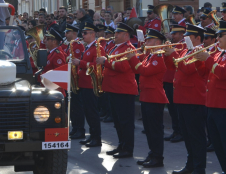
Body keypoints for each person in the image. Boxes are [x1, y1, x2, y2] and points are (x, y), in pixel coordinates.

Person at [164, 24, 208, 174]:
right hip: (182, 98)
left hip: (194, 99)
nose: (185, 38)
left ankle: (199, 167)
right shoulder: (184, 50)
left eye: (189, 36)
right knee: (188, 136)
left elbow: (188, 69)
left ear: (197, 38)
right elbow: (172, 67)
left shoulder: (200, 51)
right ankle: (190, 164)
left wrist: (173, 55)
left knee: (196, 136)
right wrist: (167, 54)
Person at [194, 21, 226, 174]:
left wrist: (207, 59)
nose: (218, 39)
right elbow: (204, 74)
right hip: (212, 105)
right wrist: (198, 60)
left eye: (221, 36)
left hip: (225, 107)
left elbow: (223, 73)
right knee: (218, 145)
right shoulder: (218, 53)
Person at [126, 29, 168, 168]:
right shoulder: (150, 56)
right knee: (149, 129)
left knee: (155, 129)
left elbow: (143, 71)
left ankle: (158, 157)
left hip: (154, 98)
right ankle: (153, 153)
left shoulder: (158, 57)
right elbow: (140, 68)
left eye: (149, 40)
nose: (146, 42)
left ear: (157, 42)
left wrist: (132, 58)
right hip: (147, 96)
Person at [96, 23, 138, 158]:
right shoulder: (116, 48)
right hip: (114, 89)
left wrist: (105, 62)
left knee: (125, 121)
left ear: (126, 35)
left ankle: (128, 148)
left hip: (123, 90)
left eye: (118, 33)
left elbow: (123, 67)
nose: (115, 35)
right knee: (118, 121)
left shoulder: (129, 48)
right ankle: (121, 145)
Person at [72, 22, 104, 147]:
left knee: (92, 112)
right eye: (82, 33)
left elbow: (96, 66)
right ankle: (92, 136)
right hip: (84, 83)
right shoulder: (88, 47)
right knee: (87, 112)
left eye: (85, 33)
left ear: (92, 34)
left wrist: (80, 63)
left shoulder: (97, 48)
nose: (82, 35)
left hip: (91, 84)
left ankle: (96, 138)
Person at [163, 25, 186, 143]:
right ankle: (175, 130)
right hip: (168, 79)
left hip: (175, 80)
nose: (172, 36)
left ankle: (180, 132)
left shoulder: (184, 45)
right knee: (171, 108)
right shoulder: (173, 45)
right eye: (172, 34)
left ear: (182, 35)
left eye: (175, 34)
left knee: (176, 109)